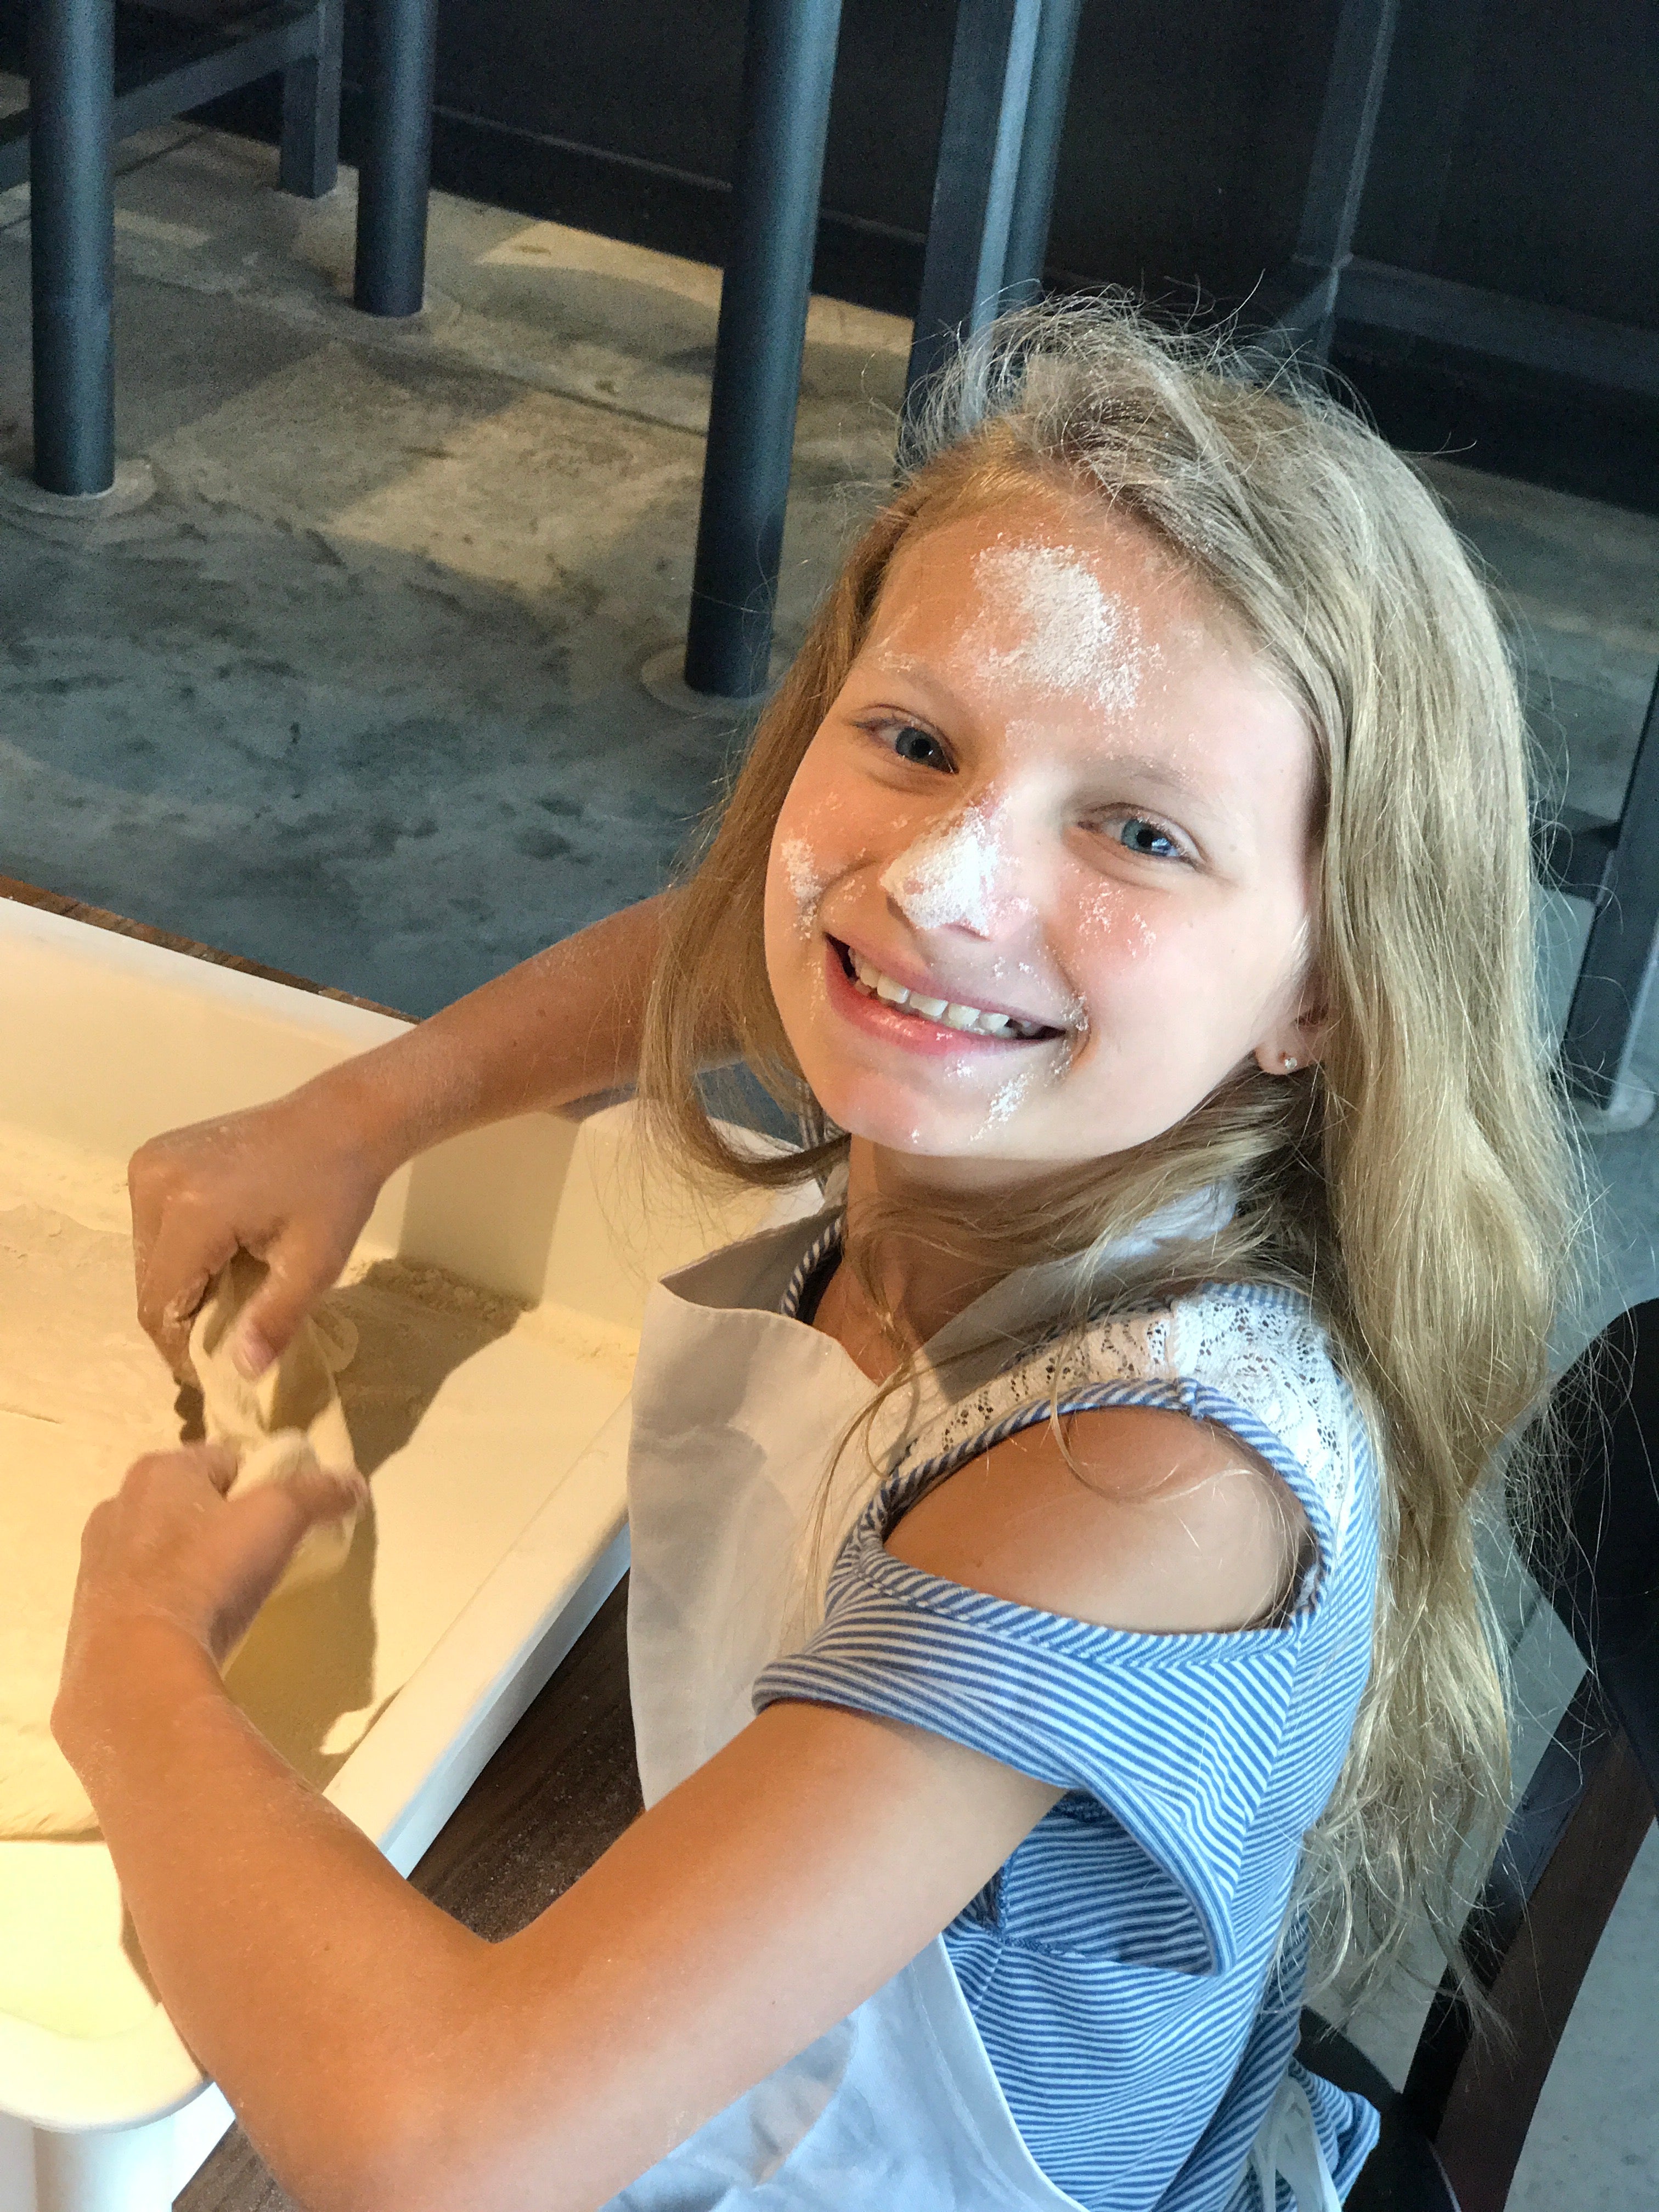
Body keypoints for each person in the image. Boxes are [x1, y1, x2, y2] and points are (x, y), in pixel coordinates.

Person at [55, 302, 1576, 2212]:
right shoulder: (1011, 1084)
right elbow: (727, 947)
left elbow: (439, 2144)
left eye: (1138, 832)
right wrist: (363, 1113)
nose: (940, 886)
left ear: (1325, 990)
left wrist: (132, 1662)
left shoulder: (1152, 1478)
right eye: (917, 741)